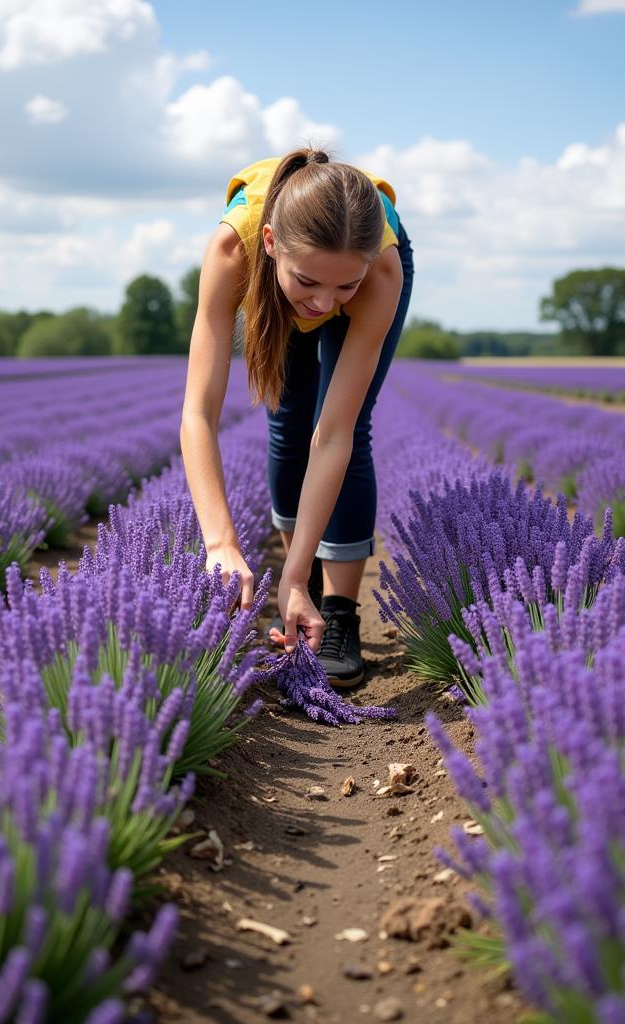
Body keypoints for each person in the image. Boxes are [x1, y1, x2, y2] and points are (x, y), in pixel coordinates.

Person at [180, 146, 414, 687]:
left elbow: (332, 438)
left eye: (342, 288)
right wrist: (220, 545)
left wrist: (287, 576)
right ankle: (298, 577)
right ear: (269, 244)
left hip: (364, 260)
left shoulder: (378, 270)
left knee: (348, 427)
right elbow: (197, 413)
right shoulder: (231, 250)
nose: (324, 303)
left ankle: (337, 612)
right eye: (309, 281)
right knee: (285, 424)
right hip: (270, 277)